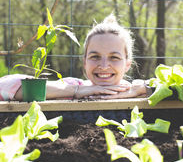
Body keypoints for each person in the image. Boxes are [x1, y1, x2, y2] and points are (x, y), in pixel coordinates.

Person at [0, 14, 147, 102]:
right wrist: (76, 91)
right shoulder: (72, 86)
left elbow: (168, 85)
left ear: (127, 64)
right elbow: (4, 86)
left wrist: (139, 90)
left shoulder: (137, 88)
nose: (103, 65)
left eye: (114, 57)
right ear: (84, 62)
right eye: (95, 56)